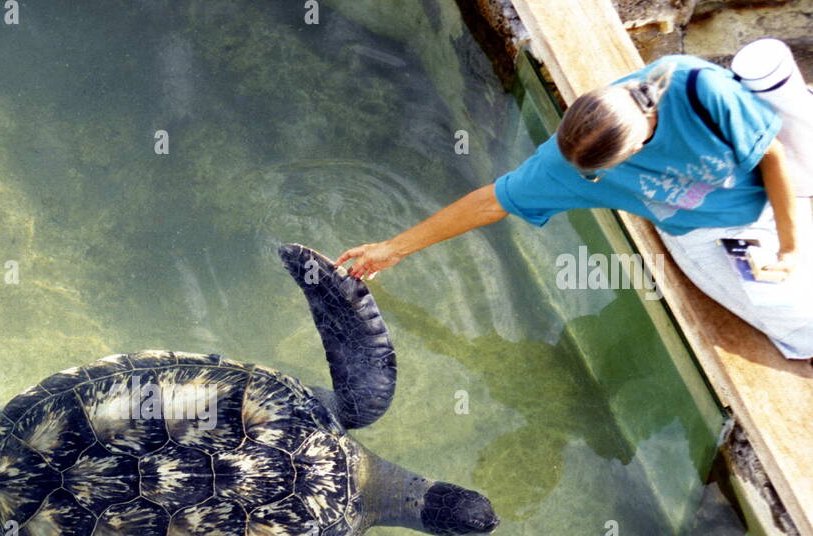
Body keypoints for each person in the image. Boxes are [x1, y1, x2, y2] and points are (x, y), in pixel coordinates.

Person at [337, 54, 812, 359]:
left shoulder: (695, 87)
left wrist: (790, 249)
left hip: (773, 182)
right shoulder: (567, 165)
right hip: (707, 228)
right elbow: (491, 201)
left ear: (640, 141)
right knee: (796, 324)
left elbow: (771, 155)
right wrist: (395, 248)